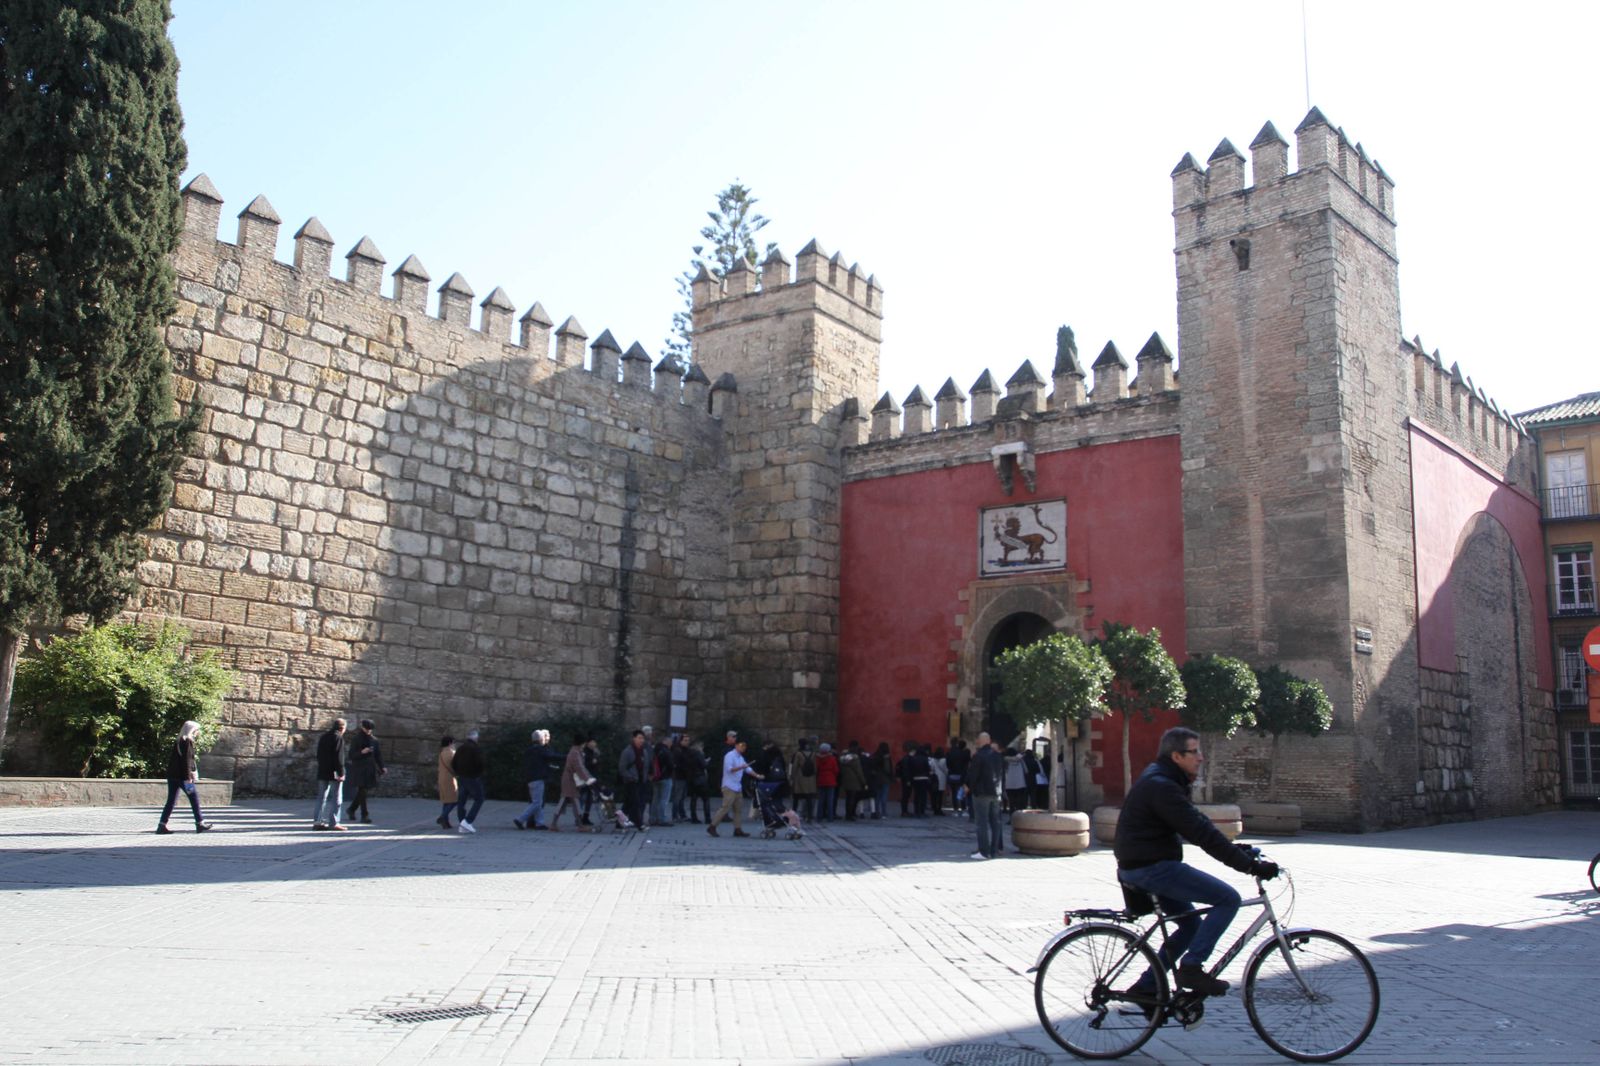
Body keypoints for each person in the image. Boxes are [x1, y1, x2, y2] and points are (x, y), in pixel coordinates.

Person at [1115, 726, 1279, 999]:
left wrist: (1237, 850)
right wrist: (1248, 866)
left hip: (1144, 864)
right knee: (1227, 899)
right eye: (1195, 752)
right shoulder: (1163, 786)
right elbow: (1200, 833)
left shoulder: (1165, 778)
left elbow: (1197, 822)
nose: (1200, 757)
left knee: (1191, 926)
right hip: (1151, 867)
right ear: (1177, 756)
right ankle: (1191, 968)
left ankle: (1147, 987)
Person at [156, 720, 213, 834]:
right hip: (183, 777)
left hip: (173, 776)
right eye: (197, 730)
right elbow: (186, 761)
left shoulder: (178, 741)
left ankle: (162, 825)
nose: (198, 732)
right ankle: (199, 823)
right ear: (193, 730)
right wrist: (188, 777)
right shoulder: (187, 741)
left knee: (171, 801)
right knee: (194, 798)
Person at [706, 738, 762, 837]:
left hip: (737, 786)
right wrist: (742, 767)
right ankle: (712, 826)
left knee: (738, 809)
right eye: (741, 745)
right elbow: (730, 769)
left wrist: (757, 775)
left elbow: (748, 769)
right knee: (725, 807)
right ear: (736, 746)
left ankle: (737, 829)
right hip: (729, 786)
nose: (743, 748)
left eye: (744, 746)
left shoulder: (740, 757)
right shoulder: (729, 756)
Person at [967, 732, 1004, 859]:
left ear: (981, 741)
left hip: (982, 793)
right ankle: (994, 851)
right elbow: (1001, 774)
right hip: (996, 792)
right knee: (995, 822)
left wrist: (969, 787)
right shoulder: (998, 756)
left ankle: (983, 851)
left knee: (981, 823)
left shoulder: (979, 756)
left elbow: (973, 775)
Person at [344, 719, 386, 824]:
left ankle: (352, 809)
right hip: (359, 768)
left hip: (370, 768)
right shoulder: (356, 739)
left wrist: (382, 766)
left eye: (370, 729)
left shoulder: (374, 740)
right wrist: (362, 752)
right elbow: (351, 755)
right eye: (367, 729)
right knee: (362, 790)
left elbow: (378, 755)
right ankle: (364, 815)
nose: (368, 731)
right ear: (362, 727)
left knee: (363, 791)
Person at [549, 735, 594, 832]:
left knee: (566, 801)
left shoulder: (576, 752)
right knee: (573, 802)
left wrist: (588, 777)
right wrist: (588, 779)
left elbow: (581, 767)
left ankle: (555, 824)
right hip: (570, 781)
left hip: (570, 780)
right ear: (582, 743)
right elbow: (579, 768)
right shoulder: (575, 753)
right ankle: (580, 825)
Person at [312, 718, 347, 831]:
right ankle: (334, 822)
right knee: (337, 797)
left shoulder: (324, 737)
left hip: (323, 770)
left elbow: (318, 754)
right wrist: (341, 773)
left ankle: (317, 821)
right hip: (334, 772)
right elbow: (339, 758)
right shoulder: (338, 738)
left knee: (321, 797)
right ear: (342, 728)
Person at [515, 728, 552, 830]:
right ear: (541, 740)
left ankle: (539, 823)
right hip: (538, 778)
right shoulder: (540, 750)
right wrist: (567, 756)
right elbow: (552, 756)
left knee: (537, 801)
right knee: (537, 802)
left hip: (530, 778)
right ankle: (520, 819)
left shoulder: (529, 750)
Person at [452, 729, 487, 833]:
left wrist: (458, 772)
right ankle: (467, 821)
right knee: (479, 798)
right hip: (472, 777)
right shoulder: (475, 749)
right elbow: (480, 763)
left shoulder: (461, 748)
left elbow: (454, 763)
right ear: (476, 738)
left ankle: (462, 823)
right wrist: (478, 774)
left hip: (462, 777)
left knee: (461, 801)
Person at [618, 731, 651, 830]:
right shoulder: (627, 751)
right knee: (636, 802)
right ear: (634, 738)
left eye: (643, 738)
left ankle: (618, 822)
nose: (641, 740)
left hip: (641, 781)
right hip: (631, 781)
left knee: (628, 804)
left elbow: (646, 766)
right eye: (639, 738)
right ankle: (639, 824)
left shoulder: (644, 751)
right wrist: (630, 777)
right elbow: (622, 768)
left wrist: (646, 777)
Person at [789, 738, 818, 822]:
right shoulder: (813, 753)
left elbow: (794, 766)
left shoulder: (798, 753)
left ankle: (793, 817)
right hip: (810, 778)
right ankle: (809, 816)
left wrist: (792, 777)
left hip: (800, 778)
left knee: (796, 798)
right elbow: (815, 766)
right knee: (809, 798)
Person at [867, 742, 893, 819]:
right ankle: (884, 813)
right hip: (885, 779)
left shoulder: (875, 755)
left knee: (877, 796)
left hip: (876, 779)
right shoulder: (886, 757)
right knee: (884, 796)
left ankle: (876, 812)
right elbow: (888, 769)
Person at [436, 735, 458, 829]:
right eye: (453, 743)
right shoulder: (452, 753)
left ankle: (446, 822)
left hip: (441, 777)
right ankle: (443, 816)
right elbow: (455, 766)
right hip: (450, 778)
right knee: (455, 800)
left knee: (446, 801)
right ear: (450, 743)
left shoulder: (442, 753)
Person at [814, 742, 839, 822]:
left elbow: (816, 768)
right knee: (830, 800)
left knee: (821, 800)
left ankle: (819, 816)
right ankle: (830, 817)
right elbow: (836, 770)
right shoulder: (832, 758)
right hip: (831, 779)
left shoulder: (817, 758)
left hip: (821, 779)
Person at [946, 738, 970, 816]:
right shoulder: (963, 753)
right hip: (961, 775)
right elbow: (966, 764)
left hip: (952, 775)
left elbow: (948, 765)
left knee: (954, 793)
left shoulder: (949, 753)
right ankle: (963, 809)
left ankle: (955, 810)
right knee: (962, 792)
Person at [929, 746, 949, 816]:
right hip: (941, 778)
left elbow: (930, 768)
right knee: (940, 795)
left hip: (934, 778)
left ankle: (934, 808)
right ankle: (939, 809)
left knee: (934, 795)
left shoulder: (932, 760)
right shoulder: (944, 760)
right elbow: (945, 769)